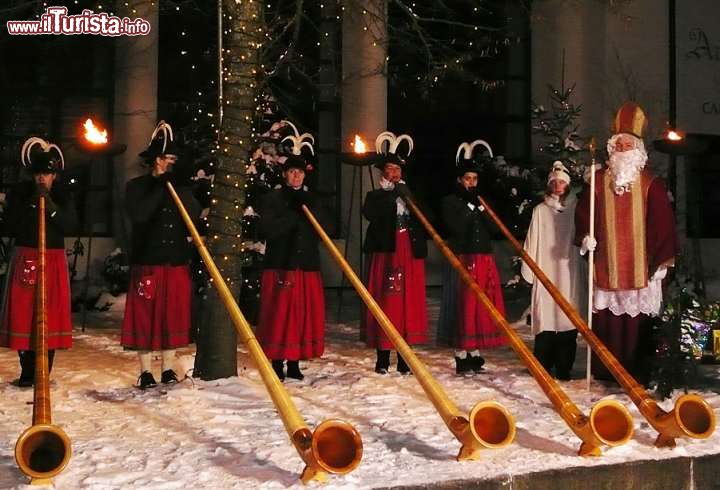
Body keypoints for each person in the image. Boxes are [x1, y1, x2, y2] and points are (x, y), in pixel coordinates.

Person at [575, 102, 676, 381]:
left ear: (638, 150)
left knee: (636, 320)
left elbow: (663, 224)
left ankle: (636, 371)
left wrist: (662, 260)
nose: (621, 150)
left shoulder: (651, 184)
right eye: (617, 145)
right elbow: (584, 213)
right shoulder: (597, 181)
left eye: (627, 145)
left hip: (641, 266)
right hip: (607, 263)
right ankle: (606, 370)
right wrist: (586, 236)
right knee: (608, 318)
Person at [121, 121, 200, 389]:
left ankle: (167, 368)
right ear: (156, 160)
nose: (171, 164)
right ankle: (145, 371)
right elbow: (139, 215)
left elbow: (193, 214)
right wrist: (158, 186)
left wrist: (175, 186)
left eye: (174, 160)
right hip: (147, 262)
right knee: (145, 318)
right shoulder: (137, 187)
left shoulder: (179, 187)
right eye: (168, 159)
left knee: (171, 316)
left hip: (174, 261)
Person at [0, 138, 77, 387]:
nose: (43, 178)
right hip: (26, 256)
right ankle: (27, 370)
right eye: (39, 174)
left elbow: (71, 225)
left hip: (52, 258)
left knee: (49, 313)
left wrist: (51, 205)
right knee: (25, 313)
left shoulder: (64, 196)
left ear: (55, 175)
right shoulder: (21, 195)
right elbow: (11, 225)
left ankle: (44, 369)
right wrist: (34, 201)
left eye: (48, 173)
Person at [257, 127, 327, 382]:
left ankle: (295, 363)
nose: (296, 176)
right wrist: (293, 213)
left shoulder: (312, 199)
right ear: (285, 174)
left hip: (306, 265)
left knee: (300, 315)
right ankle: (277, 361)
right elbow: (268, 229)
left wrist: (307, 209)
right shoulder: (274, 199)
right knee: (280, 314)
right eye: (292, 172)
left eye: (299, 173)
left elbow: (323, 228)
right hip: (281, 264)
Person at [438, 142, 507, 374]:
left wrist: (483, 209)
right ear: (460, 180)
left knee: (482, 305)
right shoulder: (450, 201)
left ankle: (476, 349)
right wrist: (470, 207)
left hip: (483, 257)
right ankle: (461, 352)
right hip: (463, 257)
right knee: (464, 304)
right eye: (467, 179)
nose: (471, 183)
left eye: (474, 179)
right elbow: (455, 227)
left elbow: (494, 228)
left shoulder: (482, 200)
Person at [363, 132, 428, 374]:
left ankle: (404, 358)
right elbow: (370, 213)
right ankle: (382, 357)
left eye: (398, 169)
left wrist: (405, 194)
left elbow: (425, 217)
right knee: (386, 301)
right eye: (390, 169)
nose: (394, 173)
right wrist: (392, 195)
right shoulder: (375, 195)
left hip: (408, 252)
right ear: (383, 173)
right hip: (386, 253)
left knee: (406, 303)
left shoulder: (409, 194)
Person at [522, 161, 586, 380]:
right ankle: (542, 364)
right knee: (547, 316)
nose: (558, 186)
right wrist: (529, 267)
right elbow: (532, 240)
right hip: (546, 269)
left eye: (562, 182)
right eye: (554, 182)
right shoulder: (540, 211)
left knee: (567, 315)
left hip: (568, 269)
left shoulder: (577, 209)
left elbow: (584, 234)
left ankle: (564, 365)